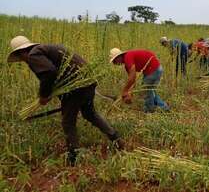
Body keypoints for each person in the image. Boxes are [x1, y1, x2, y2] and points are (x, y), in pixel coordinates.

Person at [7, 36, 123, 165]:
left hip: (75, 88)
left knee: (68, 122)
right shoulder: (47, 49)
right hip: (87, 83)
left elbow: (49, 73)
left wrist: (44, 95)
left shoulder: (34, 54)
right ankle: (115, 138)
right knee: (90, 113)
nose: (23, 60)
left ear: (21, 52)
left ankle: (74, 156)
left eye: (20, 57)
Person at [109, 48, 170, 113]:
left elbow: (132, 77)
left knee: (146, 90)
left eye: (114, 61)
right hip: (155, 68)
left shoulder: (127, 57)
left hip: (153, 69)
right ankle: (163, 106)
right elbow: (132, 80)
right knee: (150, 90)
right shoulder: (127, 64)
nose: (114, 63)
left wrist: (125, 91)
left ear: (119, 57)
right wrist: (129, 94)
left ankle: (149, 110)